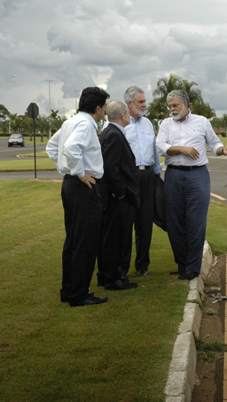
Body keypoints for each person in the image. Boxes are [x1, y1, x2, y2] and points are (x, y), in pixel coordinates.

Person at [156, 90, 227, 280]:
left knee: (196, 222)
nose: (172, 109)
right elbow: (159, 147)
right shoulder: (165, 124)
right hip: (173, 176)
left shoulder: (202, 122)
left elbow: (214, 144)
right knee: (175, 222)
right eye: (170, 106)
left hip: (197, 176)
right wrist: (181, 149)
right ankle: (182, 264)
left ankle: (193, 267)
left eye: (175, 105)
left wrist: (222, 150)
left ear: (186, 105)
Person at [46, 87, 110, 307]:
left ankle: (69, 289)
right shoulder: (85, 125)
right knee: (85, 241)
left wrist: (67, 170)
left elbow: (52, 147)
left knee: (73, 239)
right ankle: (79, 293)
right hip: (84, 187)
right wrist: (80, 173)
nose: (104, 113)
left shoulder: (70, 122)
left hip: (71, 186)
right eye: (103, 108)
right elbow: (72, 148)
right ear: (97, 108)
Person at [98, 100, 140, 291]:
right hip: (117, 199)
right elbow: (111, 168)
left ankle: (111, 275)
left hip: (116, 197)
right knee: (115, 238)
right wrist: (121, 193)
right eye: (128, 113)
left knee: (114, 237)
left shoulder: (111, 132)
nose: (130, 116)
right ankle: (113, 277)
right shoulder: (114, 134)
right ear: (122, 115)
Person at [122, 86, 163, 277]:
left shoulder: (148, 124)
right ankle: (121, 267)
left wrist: (157, 174)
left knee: (145, 223)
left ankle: (142, 266)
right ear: (130, 104)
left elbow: (153, 150)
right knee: (125, 222)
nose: (145, 105)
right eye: (141, 102)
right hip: (128, 178)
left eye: (144, 101)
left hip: (147, 176)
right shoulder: (119, 124)